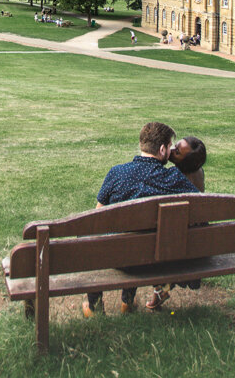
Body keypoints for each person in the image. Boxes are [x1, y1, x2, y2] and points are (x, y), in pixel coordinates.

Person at [82, 122, 198, 318]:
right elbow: (199, 206)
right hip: (154, 259)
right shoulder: (174, 179)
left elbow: (97, 218)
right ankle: (127, 301)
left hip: (119, 257)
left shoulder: (117, 173)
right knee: (139, 239)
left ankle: (93, 305)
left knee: (96, 235)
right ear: (162, 149)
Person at [146, 136, 207, 310]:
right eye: (176, 145)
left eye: (177, 152)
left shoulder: (174, 178)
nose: (172, 149)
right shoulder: (198, 172)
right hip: (199, 237)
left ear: (185, 163)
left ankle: (160, 288)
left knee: (153, 239)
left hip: (179, 238)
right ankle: (162, 289)